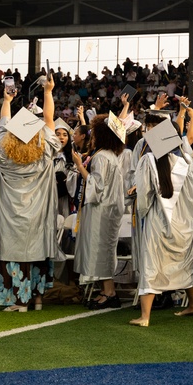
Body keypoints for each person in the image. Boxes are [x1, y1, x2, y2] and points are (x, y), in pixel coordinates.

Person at [0, 74, 60, 312]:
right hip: (37, 214)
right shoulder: (44, 151)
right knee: (35, 251)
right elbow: (48, 119)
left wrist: (7, 100)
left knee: (15, 254)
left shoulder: (3, 155)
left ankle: (20, 301)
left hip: (11, 215)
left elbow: (2, 124)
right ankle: (36, 299)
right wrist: (48, 92)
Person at [132, 122, 193, 327]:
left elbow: (144, 196)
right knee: (185, 264)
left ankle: (145, 316)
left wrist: (143, 210)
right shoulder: (187, 161)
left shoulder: (149, 160)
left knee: (152, 265)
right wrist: (189, 212)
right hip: (183, 222)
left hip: (159, 221)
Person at [71, 114, 127, 309]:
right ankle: (105, 290)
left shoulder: (102, 157)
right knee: (102, 248)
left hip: (102, 209)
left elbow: (97, 185)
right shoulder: (108, 154)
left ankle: (109, 292)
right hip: (107, 208)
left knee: (101, 248)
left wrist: (79, 167)